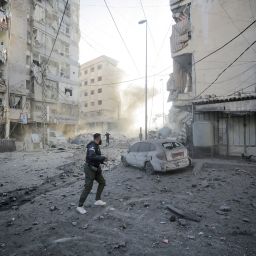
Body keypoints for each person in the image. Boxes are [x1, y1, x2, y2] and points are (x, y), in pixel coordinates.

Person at [77, 133, 107, 214]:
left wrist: (102, 161)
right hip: (90, 168)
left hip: (96, 168)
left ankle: (98, 200)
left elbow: (96, 157)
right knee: (88, 187)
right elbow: (91, 156)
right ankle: (80, 206)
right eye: (101, 138)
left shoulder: (97, 146)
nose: (101, 140)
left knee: (102, 182)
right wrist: (102, 157)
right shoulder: (92, 145)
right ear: (98, 138)